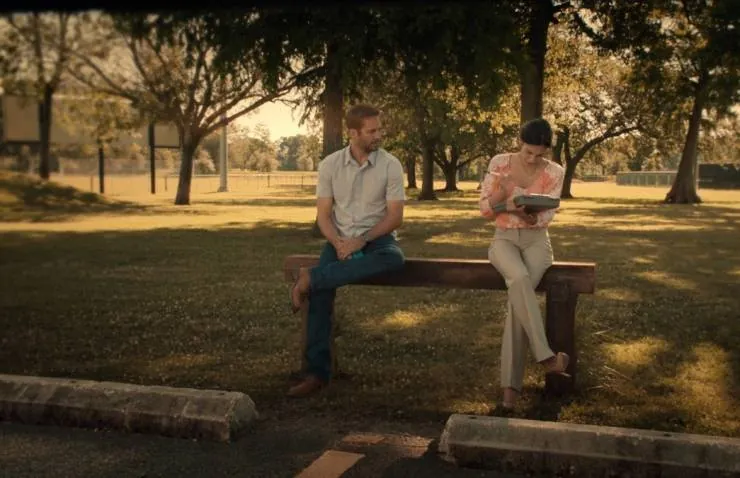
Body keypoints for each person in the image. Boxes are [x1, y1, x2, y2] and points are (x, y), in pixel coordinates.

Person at [288, 103, 406, 398]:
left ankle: (312, 277)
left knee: (394, 258)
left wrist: (362, 240)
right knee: (321, 295)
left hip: (376, 237)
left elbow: (395, 217)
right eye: (372, 131)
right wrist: (339, 242)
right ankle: (316, 374)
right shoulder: (330, 165)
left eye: (379, 129)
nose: (378, 135)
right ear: (353, 133)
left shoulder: (390, 164)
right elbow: (323, 216)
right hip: (339, 238)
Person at [478, 118, 569, 410]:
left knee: (518, 307)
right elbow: (485, 209)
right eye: (528, 152)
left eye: (539, 154)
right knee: (518, 279)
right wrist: (505, 196)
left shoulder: (555, 172)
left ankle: (509, 396)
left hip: (537, 243)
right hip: (504, 239)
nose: (532, 159)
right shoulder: (500, 163)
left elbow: (546, 215)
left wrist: (527, 214)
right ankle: (547, 357)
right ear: (520, 142)